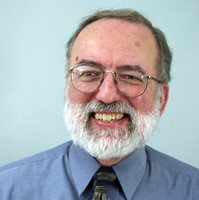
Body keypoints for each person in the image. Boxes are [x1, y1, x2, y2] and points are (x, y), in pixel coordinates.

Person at [0, 9, 198, 200]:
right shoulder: (6, 188)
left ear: (161, 99)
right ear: (68, 86)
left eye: (130, 76)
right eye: (89, 73)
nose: (107, 95)